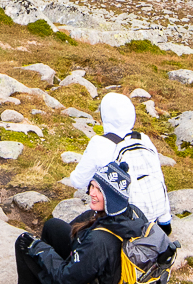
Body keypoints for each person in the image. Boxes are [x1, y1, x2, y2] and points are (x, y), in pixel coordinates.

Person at [14, 161, 148, 284]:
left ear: (112, 198)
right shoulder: (133, 214)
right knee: (52, 227)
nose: (91, 193)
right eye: (92, 186)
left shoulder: (100, 240)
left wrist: (39, 248)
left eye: (99, 190)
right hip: (109, 283)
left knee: (25, 243)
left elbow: (65, 278)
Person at [65, 93, 173, 236]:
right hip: (151, 223)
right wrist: (165, 222)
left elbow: (78, 181)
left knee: (66, 231)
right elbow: (158, 178)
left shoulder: (99, 143)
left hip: (121, 223)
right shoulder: (143, 139)